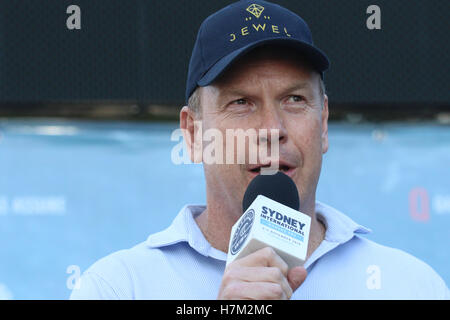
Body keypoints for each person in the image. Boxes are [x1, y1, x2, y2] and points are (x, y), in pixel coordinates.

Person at [70, 0, 449, 299]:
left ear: (324, 123)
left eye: (295, 99)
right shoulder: (118, 288)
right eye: (241, 102)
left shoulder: (412, 287)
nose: (272, 129)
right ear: (193, 134)